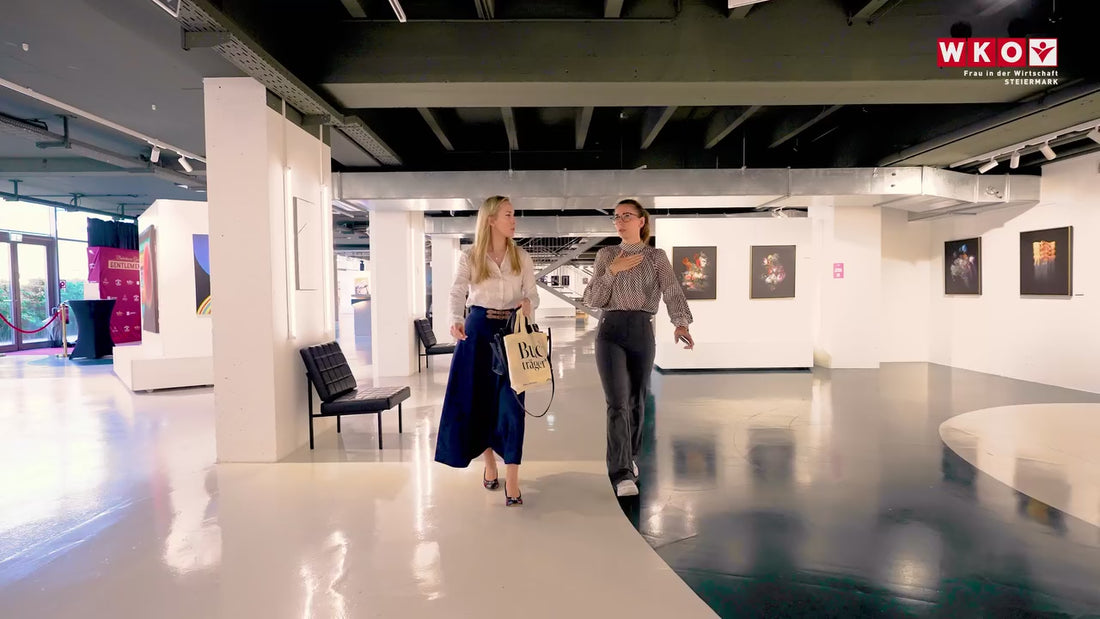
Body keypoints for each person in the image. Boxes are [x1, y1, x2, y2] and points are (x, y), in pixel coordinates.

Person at [582, 199, 694, 498]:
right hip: (610, 332)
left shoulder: (656, 257)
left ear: (641, 221)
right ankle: (620, 473)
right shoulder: (606, 255)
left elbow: (672, 290)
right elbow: (592, 299)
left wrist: (681, 323)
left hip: (641, 331)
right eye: (616, 217)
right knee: (617, 402)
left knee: (636, 401)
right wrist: (612, 271)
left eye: (626, 216)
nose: (619, 222)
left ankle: (629, 456)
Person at [434, 195, 539, 507]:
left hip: (512, 331)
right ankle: (490, 463)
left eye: (514, 214)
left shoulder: (521, 256)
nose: (514, 220)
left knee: (512, 406)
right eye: (508, 214)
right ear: (491, 219)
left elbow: (532, 293)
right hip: (478, 331)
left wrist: (528, 303)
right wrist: (455, 319)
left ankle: (513, 480)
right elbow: (457, 291)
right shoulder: (471, 256)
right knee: (479, 402)